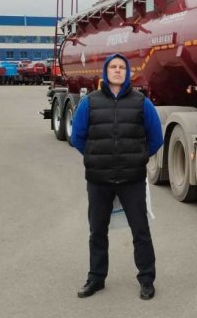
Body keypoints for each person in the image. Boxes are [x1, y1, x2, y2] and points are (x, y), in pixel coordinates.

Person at [70, 53, 164, 300]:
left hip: (131, 179)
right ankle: (96, 278)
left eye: (122, 67)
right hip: (98, 180)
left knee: (140, 231)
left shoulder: (141, 102)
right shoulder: (89, 103)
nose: (118, 70)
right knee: (97, 232)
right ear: (105, 71)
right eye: (113, 66)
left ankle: (146, 279)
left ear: (128, 72)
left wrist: (138, 157)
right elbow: (78, 137)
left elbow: (156, 137)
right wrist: (95, 156)